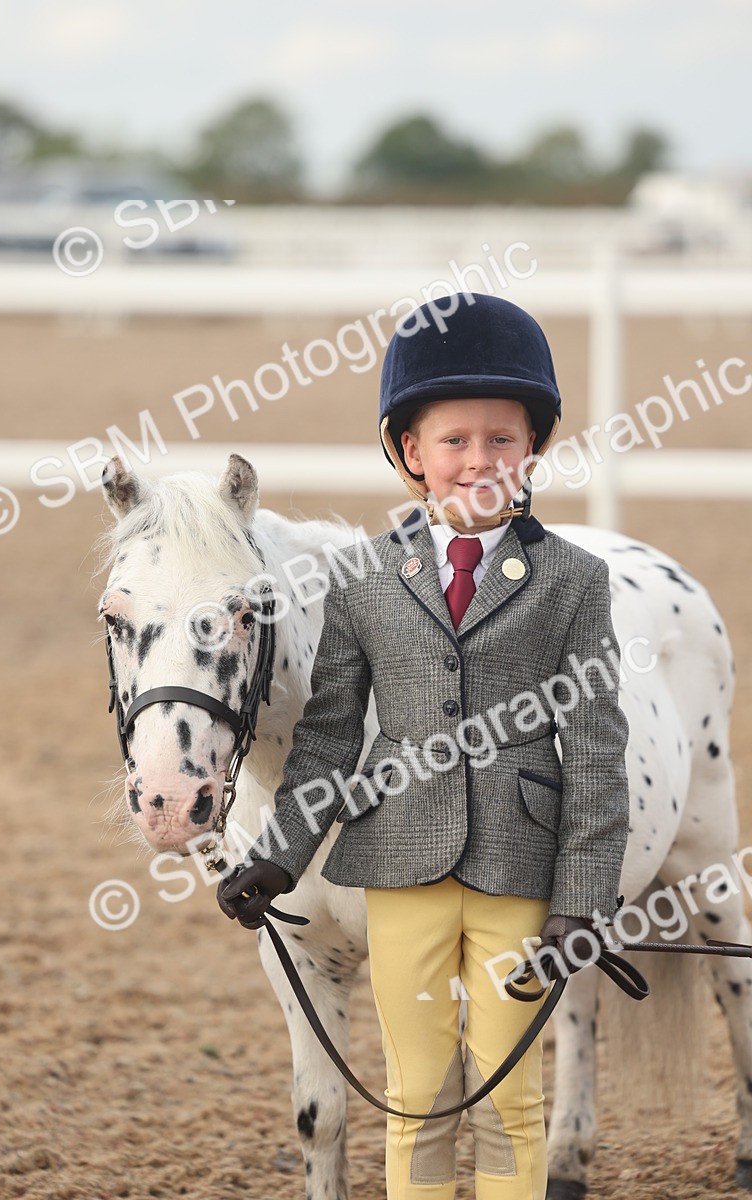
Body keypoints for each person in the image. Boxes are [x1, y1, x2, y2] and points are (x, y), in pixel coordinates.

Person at [217, 292, 630, 1200]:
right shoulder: (364, 581)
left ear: (534, 450)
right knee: (414, 1100)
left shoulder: (574, 580)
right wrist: (279, 857)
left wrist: (585, 897)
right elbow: (326, 741)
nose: (478, 459)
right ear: (411, 453)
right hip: (397, 868)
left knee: (506, 1099)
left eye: (502, 439)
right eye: (455, 441)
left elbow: (597, 748)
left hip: (520, 876)